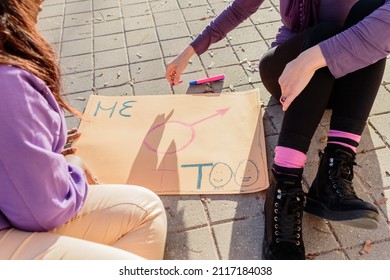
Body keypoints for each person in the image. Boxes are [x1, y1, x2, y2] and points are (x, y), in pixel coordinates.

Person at [166, 0, 390, 260]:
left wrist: (313, 59)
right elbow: (240, 8)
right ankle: (284, 186)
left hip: (345, 80)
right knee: (325, 31)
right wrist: (189, 51)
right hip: (287, 73)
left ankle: (333, 172)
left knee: (371, 18)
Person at [0, 0, 167, 260]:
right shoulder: (7, 83)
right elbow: (42, 212)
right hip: (20, 220)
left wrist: (38, 150)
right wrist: (72, 165)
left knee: (144, 209)